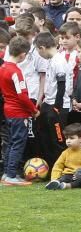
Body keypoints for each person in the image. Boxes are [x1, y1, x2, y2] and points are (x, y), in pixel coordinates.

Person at [0, 36, 37, 185]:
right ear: (23, 54)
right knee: (18, 143)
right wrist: (33, 110)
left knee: (10, 142)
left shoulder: (3, 67)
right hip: (18, 112)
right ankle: (11, 175)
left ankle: (6, 174)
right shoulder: (16, 72)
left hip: (7, 109)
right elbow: (22, 96)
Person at [46, 123, 81, 190]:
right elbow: (58, 166)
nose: (68, 141)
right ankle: (56, 183)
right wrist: (54, 178)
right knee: (63, 178)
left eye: (71, 138)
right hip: (68, 175)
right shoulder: (65, 152)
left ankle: (67, 186)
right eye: (66, 138)